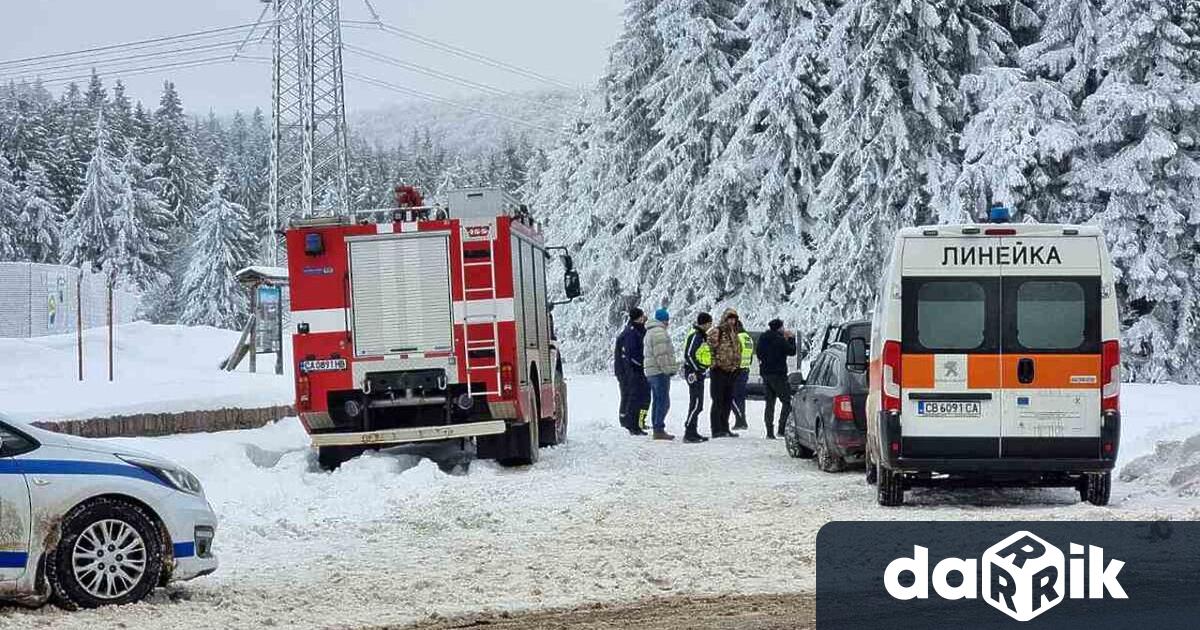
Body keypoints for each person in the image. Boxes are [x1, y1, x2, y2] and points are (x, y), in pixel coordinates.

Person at [756, 318, 798, 439]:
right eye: (782, 327)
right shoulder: (779, 339)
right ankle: (781, 428)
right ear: (779, 328)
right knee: (786, 401)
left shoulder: (763, 338)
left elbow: (759, 353)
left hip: (766, 374)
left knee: (769, 403)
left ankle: (769, 431)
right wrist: (791, 338)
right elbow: (792, 351)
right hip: (778, 374)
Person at [706, 308, 743, 438]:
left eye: (734, 319)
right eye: (730, 319)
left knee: (727, 400)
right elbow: (708, 348)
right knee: (718, 400)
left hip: (731, 371)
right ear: (725, 319)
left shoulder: (735, 333)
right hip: (718, 371)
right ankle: (716, 429)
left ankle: (724, 427)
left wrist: (736, 366)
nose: (732, 321)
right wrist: (714, 363)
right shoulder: (717, 331)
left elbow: (737, 350)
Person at [643, 308, 678, 441]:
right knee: (663, 401)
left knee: (657, 400)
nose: (668, 322)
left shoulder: (650, 331)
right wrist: (668, 369)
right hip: (659, 372)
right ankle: (659, 429)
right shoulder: (659, 332)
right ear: (664, 320)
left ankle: (657, 428)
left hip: (651, 371)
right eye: (667, 319)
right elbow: (661, 355)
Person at [682, 312, 714, 443]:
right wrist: (698, 369)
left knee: (698, 404)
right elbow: (689, 354)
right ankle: (688, 432)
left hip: (698, 372)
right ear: (705, 323)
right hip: (693, 373)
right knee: (696, 404)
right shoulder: (696, 335)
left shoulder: (701, 335)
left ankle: (693, 431)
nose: (711, 326)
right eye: (710, 323)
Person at [618, 307, 650, 436]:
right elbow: (631, 354)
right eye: (643, 316)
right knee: (634, 397)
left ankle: (632, 422)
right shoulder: (631, 333)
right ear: (639, 317)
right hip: (631, 371)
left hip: (634, 370)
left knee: (638, 396)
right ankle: (633, 425)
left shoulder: (638, 330)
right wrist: (642, 364)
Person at [731, 322, 754, 431]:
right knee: (740, 398)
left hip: (736, 371)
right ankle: (741, 421)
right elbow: (750, 357)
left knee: (731, 397)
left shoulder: (737, 338)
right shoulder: (748, 338)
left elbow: (733, 354)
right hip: (745, 370)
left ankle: (741, 420)